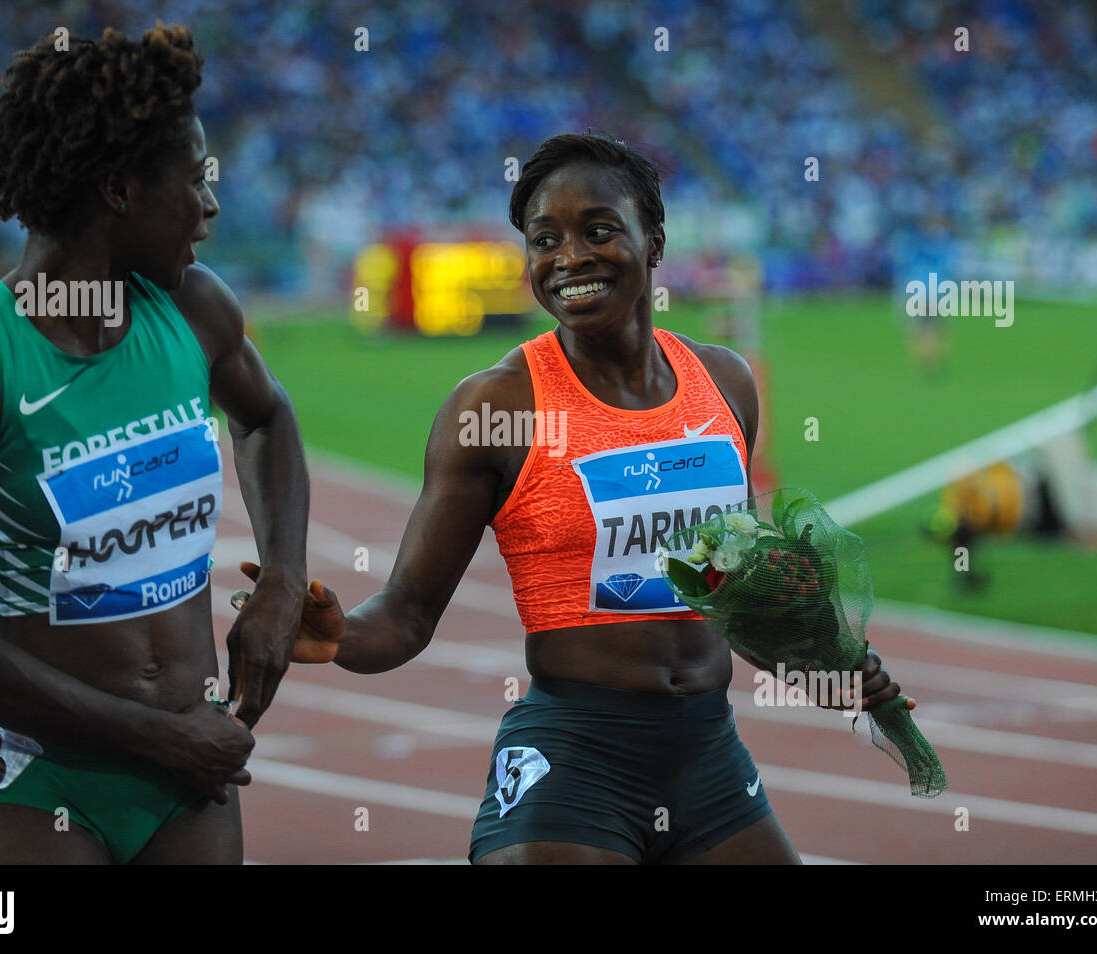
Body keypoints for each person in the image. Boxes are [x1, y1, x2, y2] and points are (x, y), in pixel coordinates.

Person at [269, 132, 904, 864]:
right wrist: (340, 635)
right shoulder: (496, 407)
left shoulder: (724, 384)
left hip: (708, 755)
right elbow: (407, 613)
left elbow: (733, 587)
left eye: (598, 231)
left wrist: (822, 662)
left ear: (654, 241)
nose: (569, 258)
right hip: (576, 759)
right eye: (545, 241)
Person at [0, 23, 309, 864]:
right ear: (118, 187)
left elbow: (267, 417)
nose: (212, 207)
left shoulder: (194, 310)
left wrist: (284, 584)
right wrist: (158, 740)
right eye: (193, 183)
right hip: (41, 774)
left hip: (188, 764)